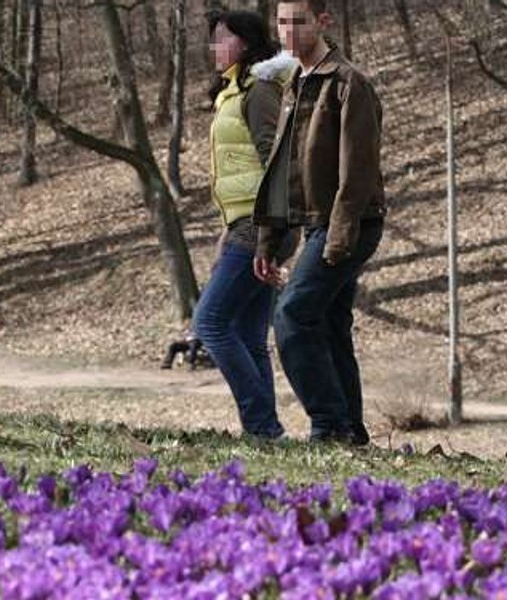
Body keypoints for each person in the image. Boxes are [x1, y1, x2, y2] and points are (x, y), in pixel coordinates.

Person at [253, 0, 387, 444]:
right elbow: (282, 166)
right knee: (329, 323)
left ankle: (329, 426)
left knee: (291, 317)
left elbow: (359, 171)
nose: (289, 32)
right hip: (317, 224)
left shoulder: (350, 84)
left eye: (299, 22)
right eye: (282, 22)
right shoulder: (298, 83)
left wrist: (338, 239)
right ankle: (352, 430)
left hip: (351, 222)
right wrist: (269, 240)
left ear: (322, 23)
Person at [193, 10, 299, 440]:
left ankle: (262, 426)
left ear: (246, 41)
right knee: (249, 335)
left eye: (223, 38)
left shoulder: (258, 90)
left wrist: (267, 238)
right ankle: (266, 431)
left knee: (211, 323)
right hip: (245, 224)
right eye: (213, 39)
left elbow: (275, 161)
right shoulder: (234, 91)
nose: (215, 47)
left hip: (262, 226)